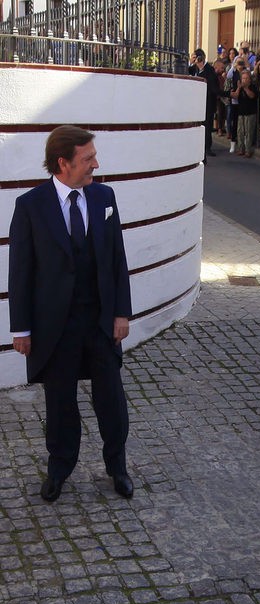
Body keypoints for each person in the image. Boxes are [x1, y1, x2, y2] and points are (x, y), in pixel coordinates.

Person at [8, 126, 134, 502]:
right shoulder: (30, 206)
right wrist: (21, 328)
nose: (96, 164)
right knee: (60, 402)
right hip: (55, 327)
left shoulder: (104, 197)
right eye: (88, 159)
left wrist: (122, 313)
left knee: (111, 399)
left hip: (99, 322)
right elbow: (20, 272)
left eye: (93, 156)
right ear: (63, 163)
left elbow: (117, 260)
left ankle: (118, 467)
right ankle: (59, 469)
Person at [189, 48, 219, 158]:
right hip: (196, 101)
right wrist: (191, 62)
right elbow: (186, 72)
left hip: (208, 102)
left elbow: (213, 87)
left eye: (198, 57)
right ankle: (198, 146)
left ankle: (207, 147)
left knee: (207, 125)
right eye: (195, 57)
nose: (198, 60)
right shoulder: (194, 68)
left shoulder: (209, 70)